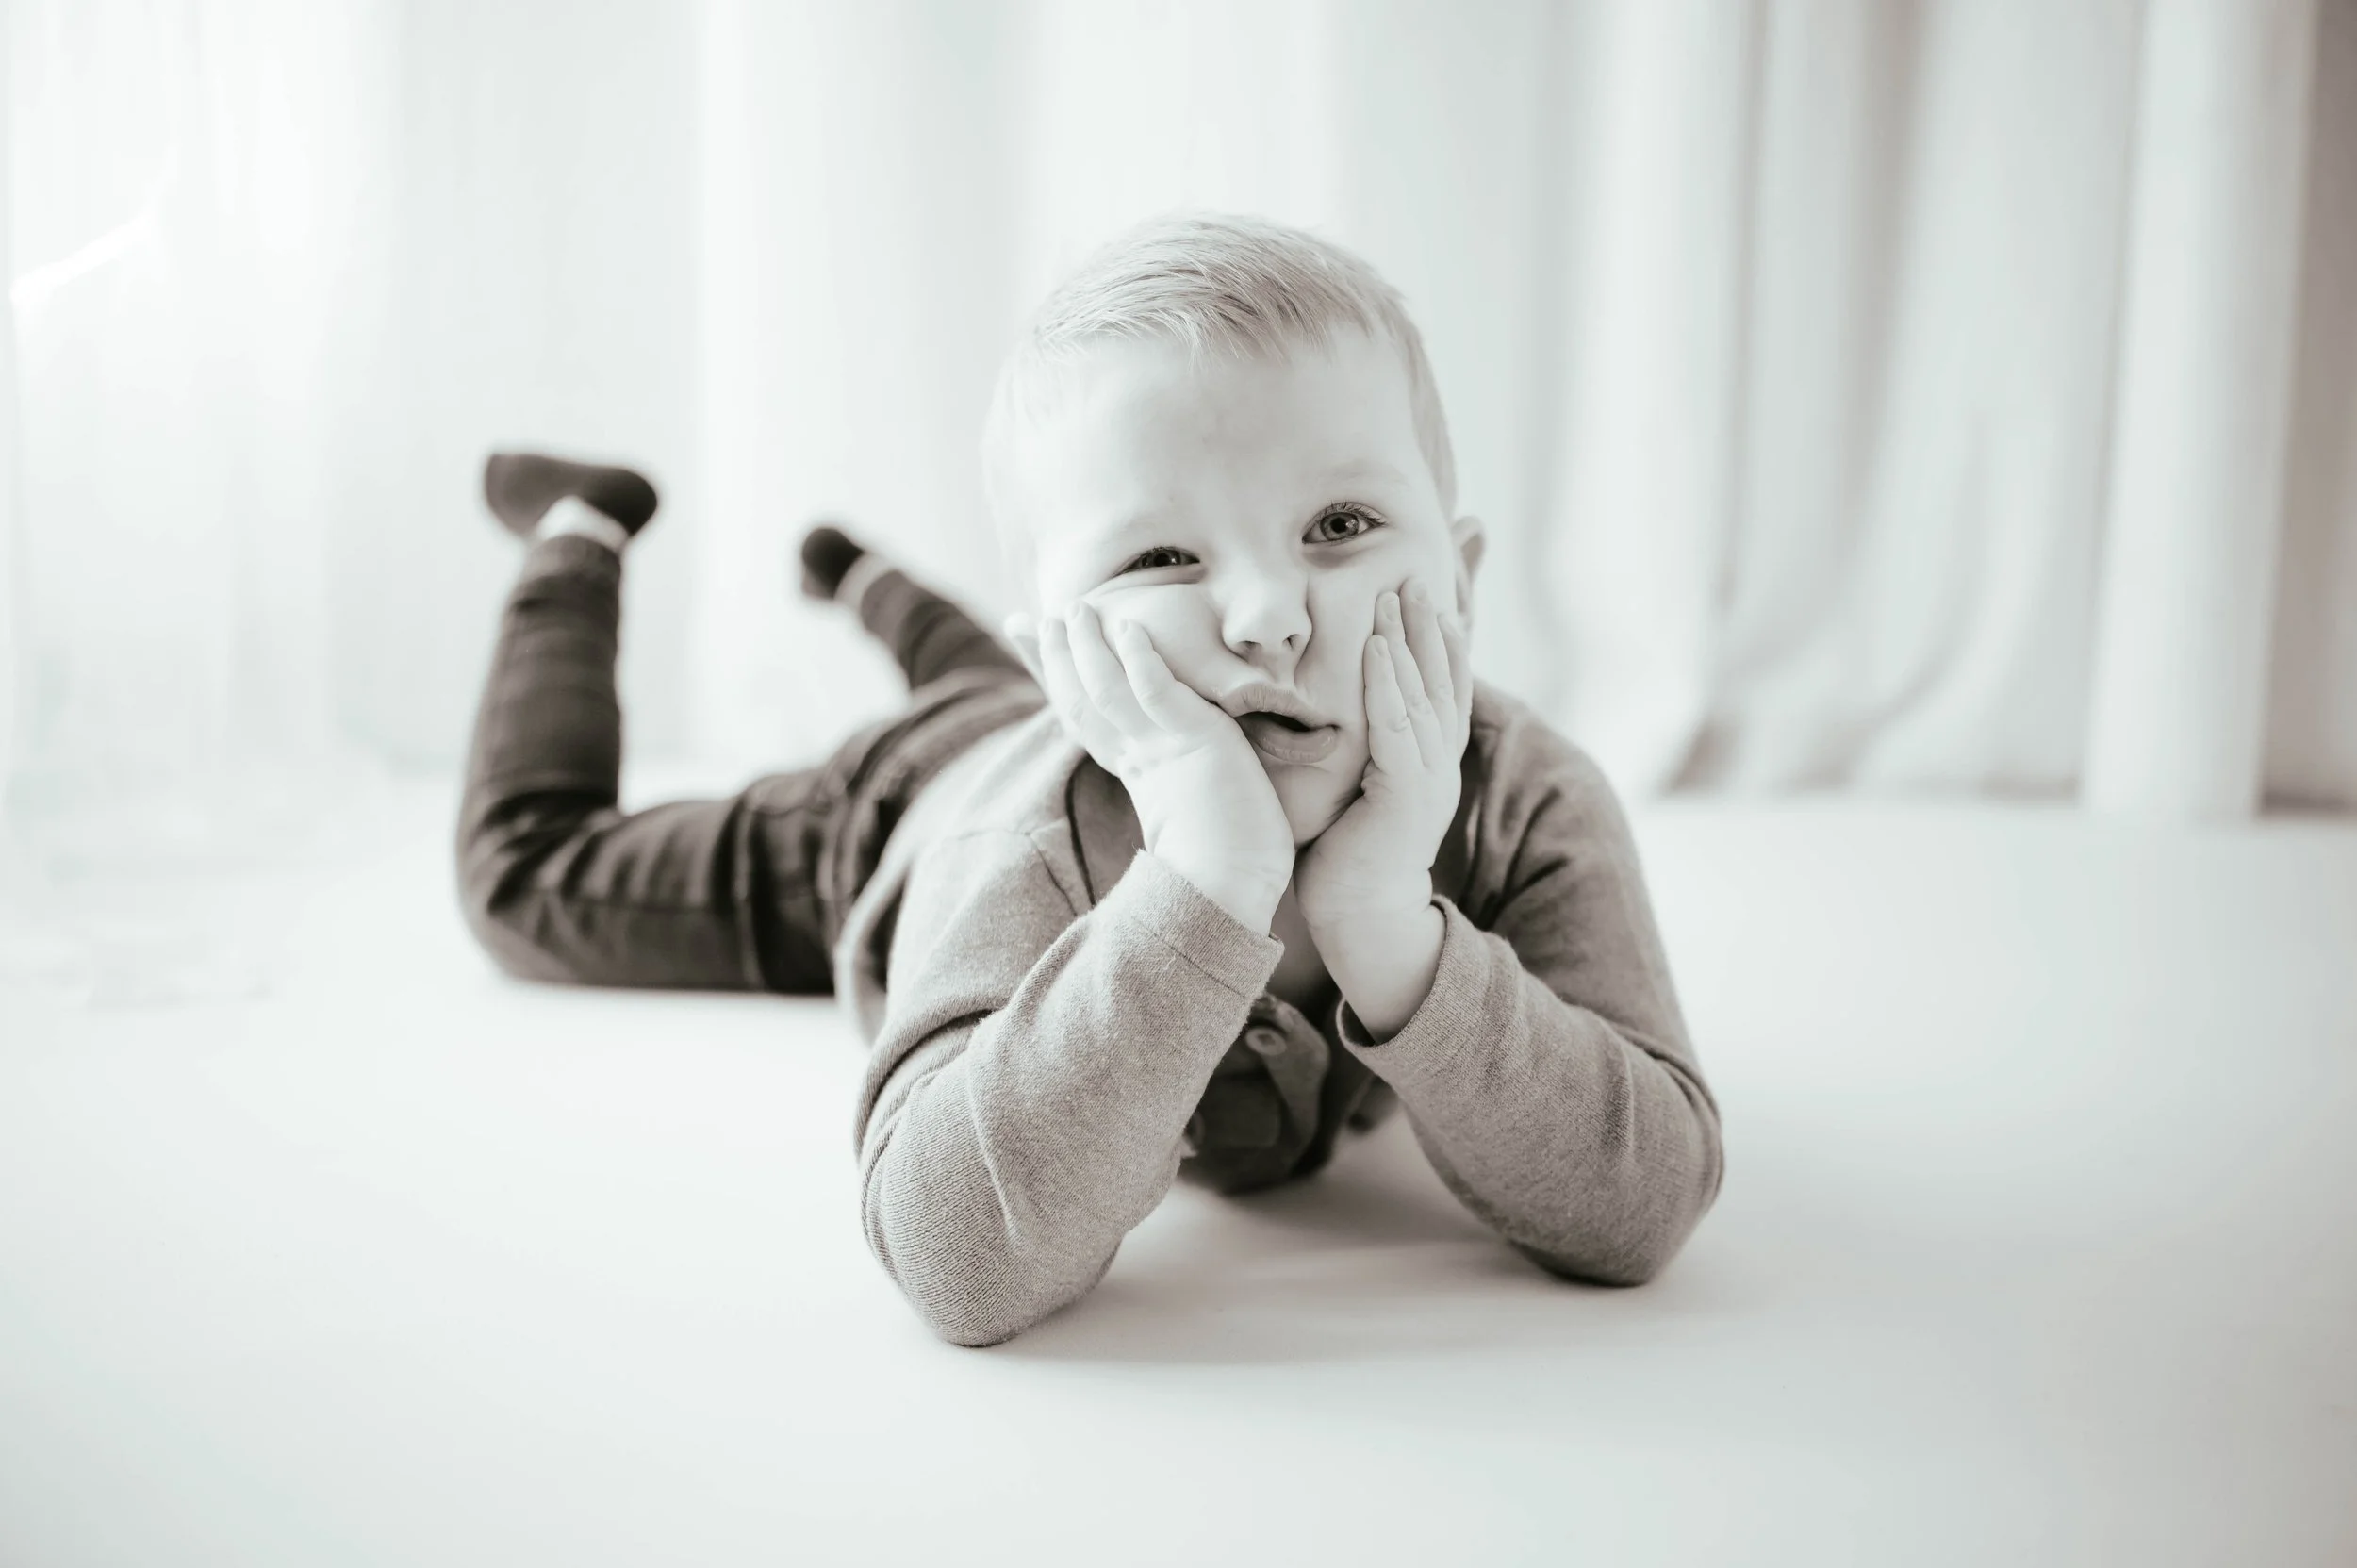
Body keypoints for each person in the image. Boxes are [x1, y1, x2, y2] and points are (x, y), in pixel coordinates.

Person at [456, 213, 1723, 1348]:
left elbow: (1647, 1198)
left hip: (1072, 696)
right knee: (529, 879)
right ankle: (580, 535)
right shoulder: (1015, 848)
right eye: (1166, 554)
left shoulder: (1525, 798)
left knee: (986, 674)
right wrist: (1207, 882)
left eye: (1340, 525)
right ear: (1070, 658)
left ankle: (867, 577)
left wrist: (1391, 926)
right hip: (897, 806)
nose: (1271, 616)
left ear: (1462, 578)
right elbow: (956, 1259)